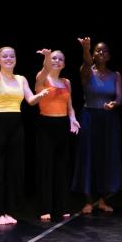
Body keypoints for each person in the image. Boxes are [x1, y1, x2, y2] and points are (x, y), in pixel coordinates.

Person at [0, 29, 48, 225]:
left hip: (16, 125)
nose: (9, 58)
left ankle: (9, 210)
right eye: (5, 56)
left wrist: (40, 96)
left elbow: (30, 100)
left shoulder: (21, 79)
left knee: (13, 169)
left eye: (12, 56)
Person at [73, 37, 122, 214]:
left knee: (106, 157)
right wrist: (86, 49)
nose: (101, 53)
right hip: (89, 117)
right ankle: (88, 200)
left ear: (109, 56)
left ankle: (102, 200)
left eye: (105, 51)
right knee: (88, 157)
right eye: (98, 51)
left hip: (108, 120)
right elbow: (87, 62)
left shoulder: (115, 75)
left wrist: (114, 104)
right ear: (93, 55)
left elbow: (119, 97)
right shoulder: (86, 71)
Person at [34, 48, 80, 221]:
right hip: (46, 125)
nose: (57, 61)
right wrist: (46, 58)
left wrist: (73, 118)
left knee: (62, 167)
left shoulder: (67, 82)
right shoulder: (43, 77)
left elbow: (70, 106)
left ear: (64, 63)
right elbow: (42, 76)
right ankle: (44, 207)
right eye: (54, 58)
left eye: (60, 59)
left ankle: (61, 206)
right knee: (46, 167)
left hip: (62, 125)